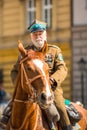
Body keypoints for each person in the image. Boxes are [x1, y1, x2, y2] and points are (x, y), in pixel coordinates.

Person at [0, 19, 71, 130]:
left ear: (45, 34)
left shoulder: (54, 50)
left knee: (60, 108)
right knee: (9, 109)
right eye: (35, 34)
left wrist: (53, 79)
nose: (38, 36)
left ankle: (67, 127)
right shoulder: (25, 52)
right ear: (31, 36)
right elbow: (15, 71)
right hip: (30, 89)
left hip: (50, 88)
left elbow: (62, 69)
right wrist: (21, 86)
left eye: (40, 33)